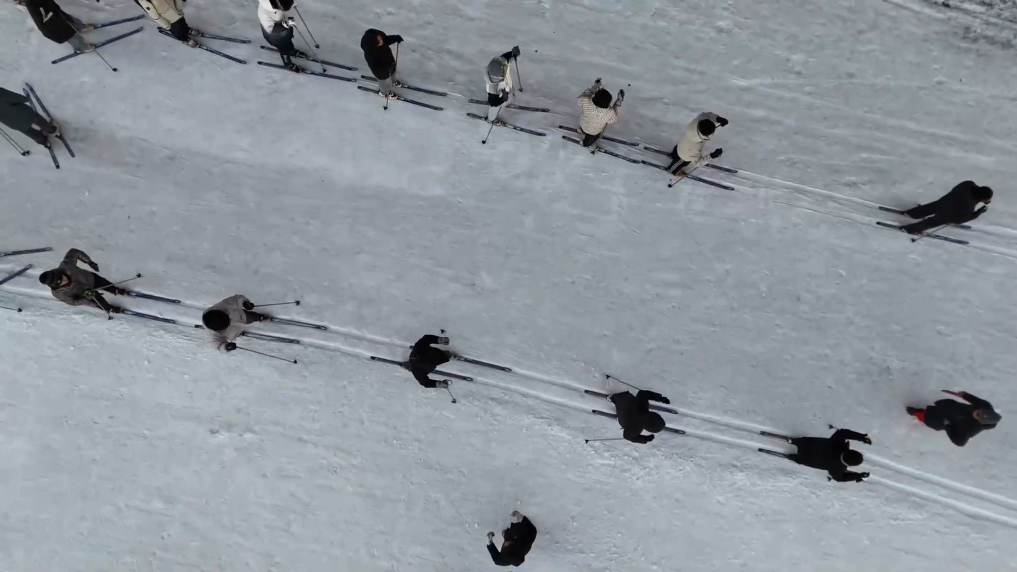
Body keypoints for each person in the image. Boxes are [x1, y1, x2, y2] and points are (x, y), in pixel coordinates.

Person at [37, 248, 127, 313]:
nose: (64, 280)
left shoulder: (66, 266)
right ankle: (108, 308)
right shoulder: (58, 294)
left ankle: (115, 290)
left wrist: (90, 262)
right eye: (60, 282)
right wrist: (85, 299)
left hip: (91, 278)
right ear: (56, 285)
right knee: (99, 302)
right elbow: (73, 302)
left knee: (105, 283)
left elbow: (73, 252)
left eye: (62, 277)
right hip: (86, 294)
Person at [907, 390, 1000, 447]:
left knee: (929, 418)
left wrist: (948, 426)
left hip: (948, 420)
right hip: (955, 408)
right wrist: (964, 395)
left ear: (979, 421)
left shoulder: (970, 429)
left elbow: (959, 442)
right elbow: (976, 400)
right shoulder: (985, 406)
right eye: (979, 410)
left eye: (978, 415)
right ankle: (926, 410)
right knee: (940, 407)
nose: (976, 411)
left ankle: (916, 412)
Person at [900, 181, 993, 235]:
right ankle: (910, 229)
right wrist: (980, 211)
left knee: (930, 208)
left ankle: (912, 213)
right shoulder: (969, 206)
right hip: (947, 214)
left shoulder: (968, 184)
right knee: (933, 222)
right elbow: (961, 219)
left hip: (943, 202)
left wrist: (978, 200)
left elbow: (968, 195)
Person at [785, 428, 871, 483]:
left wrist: (862, 437)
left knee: (807, 443)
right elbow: (839, 478)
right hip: (805, 459)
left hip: (806, 444)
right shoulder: (837, 469)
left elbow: (843, 432)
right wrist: (858, 476)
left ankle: (795, 441)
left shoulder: (838, 443)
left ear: (851, 451)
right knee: (804, 460)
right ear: (849, 464)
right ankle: (794, 457)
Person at [201, 295, 269, 353]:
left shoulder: (220, 307)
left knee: (251, 317)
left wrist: (244, 303)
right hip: (232, 332)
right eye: (227, 324)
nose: (230, 322)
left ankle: (259, 317)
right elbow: (218, 346)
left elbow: (236, 299)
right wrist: (226, 347)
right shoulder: (213, 334)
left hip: (240, 316)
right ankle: (238, 333)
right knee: (234, 332)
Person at [23, 0, 95, 53]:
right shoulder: (31, 3)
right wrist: (53, 13)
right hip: (49, 22)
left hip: (54, 12)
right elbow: (41, 18)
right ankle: (81, 47)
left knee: (69, 19)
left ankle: (80, 27)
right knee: (69, 34)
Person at [258, 0, 311, 71]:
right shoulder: (265, 15)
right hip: (275, 37)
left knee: (288, 41)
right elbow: (270, 31)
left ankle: (291, 51)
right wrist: (284, 25)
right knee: (283, 50)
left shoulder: (275, 3)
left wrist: (290, 2)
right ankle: (288, 64)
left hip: (284, 31)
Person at [577, 78, 623, 148]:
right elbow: (614, 118)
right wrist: (618, 102)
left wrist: (594, 87)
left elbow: (583, 97)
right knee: (591, 139)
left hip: (583, 124)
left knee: (585, 126)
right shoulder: (609, 112)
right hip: (594, 132)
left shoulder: (586, 101)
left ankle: (582, 131)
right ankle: (585, 143)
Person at [360, 29, 404, 98]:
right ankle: (384, 92)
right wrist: (385, 67)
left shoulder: (381, 41)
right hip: (381, 72)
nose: (382, 41)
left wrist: (395, 38)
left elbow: (386, 39)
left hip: (390, 63)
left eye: (380, 38)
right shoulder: (370, 54)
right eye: (379, 40)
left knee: (393, 72)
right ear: (373, 43)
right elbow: (376, 66)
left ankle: (394, 82)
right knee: (383, 82)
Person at [485, 47, 520, 122]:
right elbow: (493, 103)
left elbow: (505, 57)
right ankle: (491, 119)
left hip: (506, 86)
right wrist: (503, 99)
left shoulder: (500, 64)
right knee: (495, 108)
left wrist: (512, 54)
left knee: (510, 94)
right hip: (501, 94)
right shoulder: (492, 88)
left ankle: (508, 99)